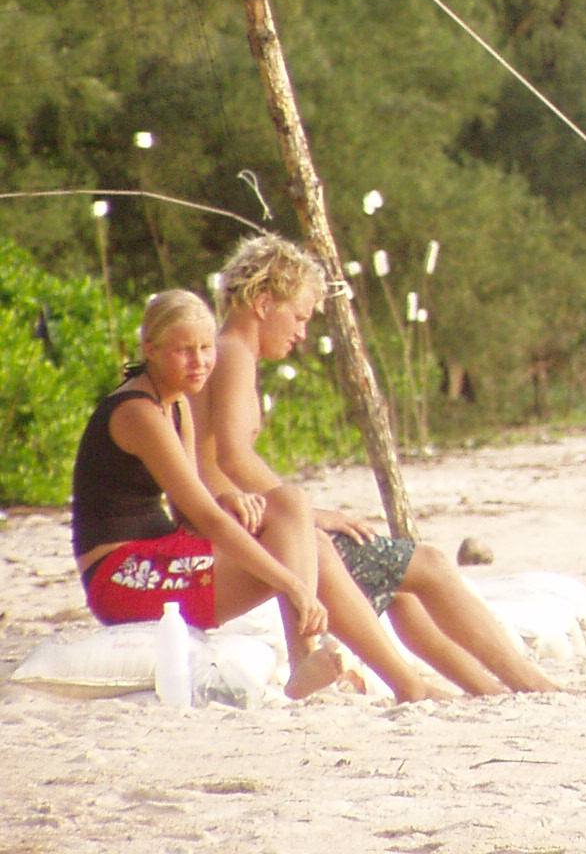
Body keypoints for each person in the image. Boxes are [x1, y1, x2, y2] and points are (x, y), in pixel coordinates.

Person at [196, 233, 558, 694]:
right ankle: (532, 685)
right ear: (265, 303)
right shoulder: (232, 355)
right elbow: (231, 455)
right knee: (429, 564)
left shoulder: (231, 355)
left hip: (247, 526)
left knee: (404, 593)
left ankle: (488, 692)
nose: (303, 333)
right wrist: (308, 514)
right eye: (301, 317)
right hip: (243, 534)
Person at [71, 290, 442, 701]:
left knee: (292, 506)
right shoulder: (138, 412)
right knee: (300, 541)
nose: (200, 362)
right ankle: (340, 670)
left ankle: (394, 680)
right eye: (184, 351)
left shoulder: (174, 404)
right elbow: (206, 522)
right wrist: (296, 587)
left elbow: (188, 512)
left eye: (206, 348)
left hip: (160, 548)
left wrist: (227, 500)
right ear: (151, 350)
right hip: (120, 576)